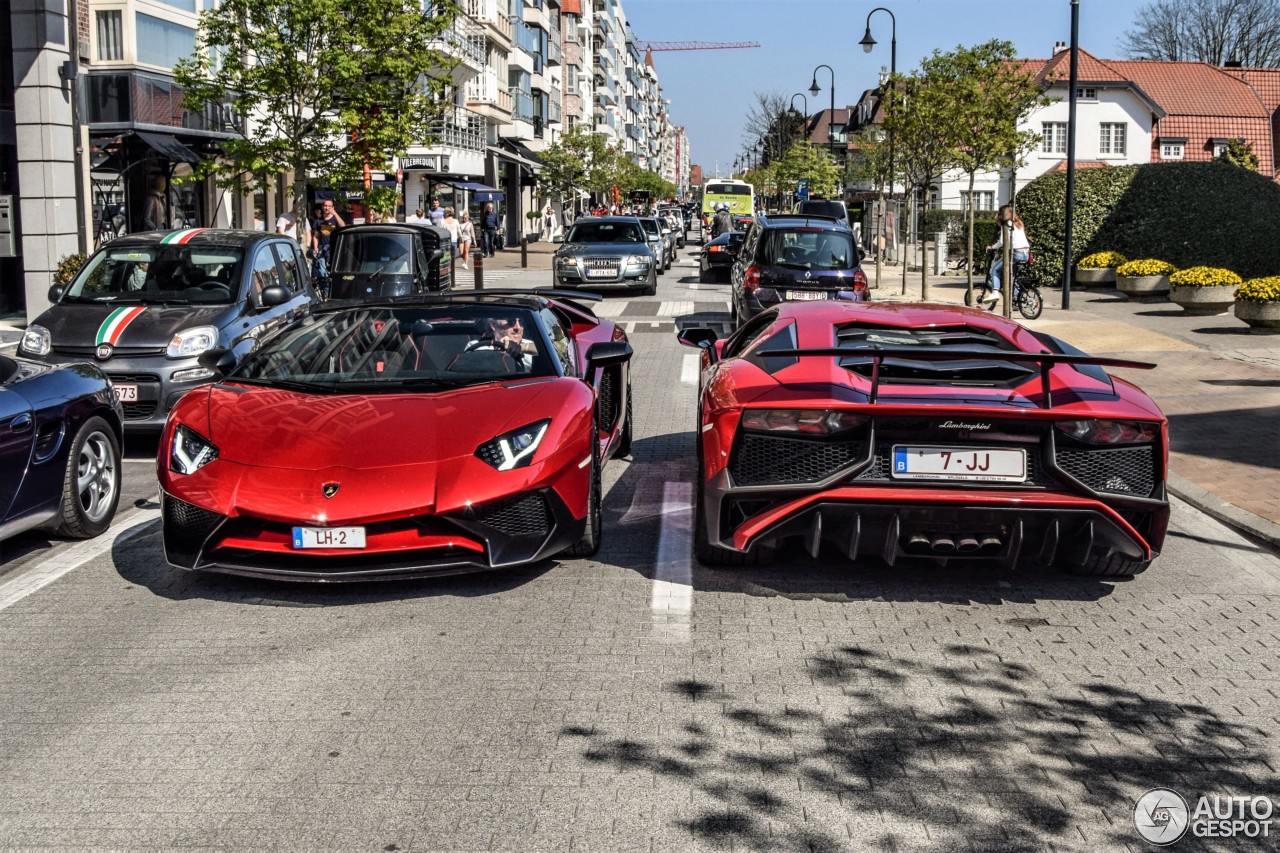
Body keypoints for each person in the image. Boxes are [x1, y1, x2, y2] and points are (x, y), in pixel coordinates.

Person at [984, 204, 1030, 304]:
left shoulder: (1007, 224)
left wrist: (991, 247)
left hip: (1016, 253)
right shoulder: (1019, 223)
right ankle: (1017, 298)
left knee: (995, 269)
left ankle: (995, 292)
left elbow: (1002, 241)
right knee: (1012, 276)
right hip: (1026, 254)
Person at [464, 314, 532, 370]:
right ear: (493, 325)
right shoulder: (476, 346)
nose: (518, 327)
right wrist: (501, 349)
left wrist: (520, 348)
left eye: (521, 322)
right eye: (510, 321)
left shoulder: (532, 345)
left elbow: (541, 352)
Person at [310, 198, 345, 282]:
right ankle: (325, 289)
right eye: (325, 206)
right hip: (322, 249)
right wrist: (316, 248)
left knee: (332, 270)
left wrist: (335, 214)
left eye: (329, 206)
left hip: (334, 249)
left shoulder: (335, 219)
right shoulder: (318, 221)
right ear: (322, 207)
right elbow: (315, 236)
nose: (327, 208)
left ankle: (329, 288)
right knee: (322, 271)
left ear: (333, 207)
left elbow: (343, 226)